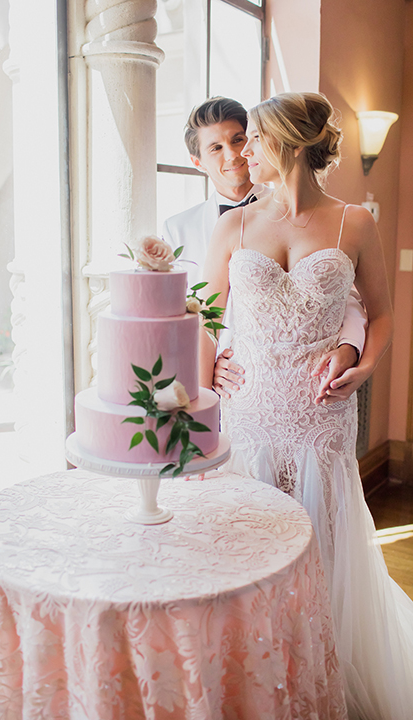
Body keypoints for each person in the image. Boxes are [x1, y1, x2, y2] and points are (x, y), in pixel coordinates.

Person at [199, 91, 413, 720]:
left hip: (322, 417)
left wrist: (365, 366)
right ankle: (255, 677)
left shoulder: (355, 223)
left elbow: (381, 313)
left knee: (323, 548)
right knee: (253, 550)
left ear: (287, 143)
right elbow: (207, 318)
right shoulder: (234, 224)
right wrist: (210, 363)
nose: (244, 153)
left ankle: (318, 678)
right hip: (251, 413)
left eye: (253, 140)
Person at [163, 96, 367, 404]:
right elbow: (183, 315)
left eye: (239, 139)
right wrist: (206, 369)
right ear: (198, 162)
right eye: (216, 148)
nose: (234, 154)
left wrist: (350, 348)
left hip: (310, 384)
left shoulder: (311, 211)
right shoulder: (177, 229)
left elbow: (341, 293)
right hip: (221, 383)